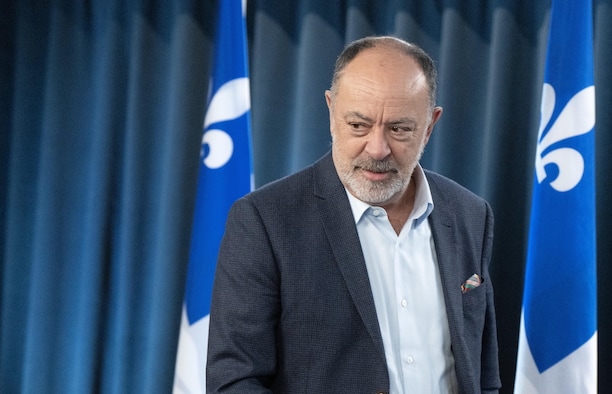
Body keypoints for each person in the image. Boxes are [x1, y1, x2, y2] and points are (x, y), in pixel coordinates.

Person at [206, 36, 501, 394]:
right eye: (358, 125)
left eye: (399, 129)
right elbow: (235, 381)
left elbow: (482, 375)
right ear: (331, 112)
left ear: (429, 126)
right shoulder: (265, 222)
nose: (377, 149)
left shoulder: (470, 215)